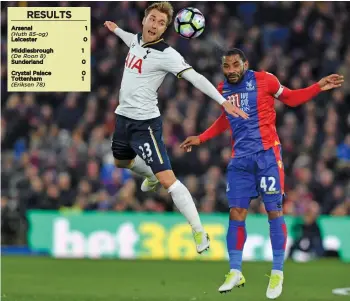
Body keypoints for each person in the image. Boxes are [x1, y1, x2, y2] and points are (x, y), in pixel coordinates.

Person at [180, 48, 343, 298]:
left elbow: (291, 98)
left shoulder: (265, 79)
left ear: (245, 64)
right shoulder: (223, 88)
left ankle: (277, 272)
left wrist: (317, 87)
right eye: (227, 66)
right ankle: (235, 270)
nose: (231, 70)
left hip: (267, 155)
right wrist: (202, 138)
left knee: (273, 210)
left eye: (235, 65)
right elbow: (227, 118)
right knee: (236, 212)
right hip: (240, 160)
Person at [103, 2, 248, 255]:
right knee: (120, 162)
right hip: (123, 118)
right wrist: (116, 30)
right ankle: (149, 175)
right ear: (144, 20)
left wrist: (223, 102)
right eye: (153, 19)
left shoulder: (167, 54)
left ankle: (198, 230)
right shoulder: (137, 39)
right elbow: (129, 39)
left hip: (145, 124)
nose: (155, 25)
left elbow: (196, 78)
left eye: (161, 23)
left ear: (166, 29)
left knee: (168, 180)